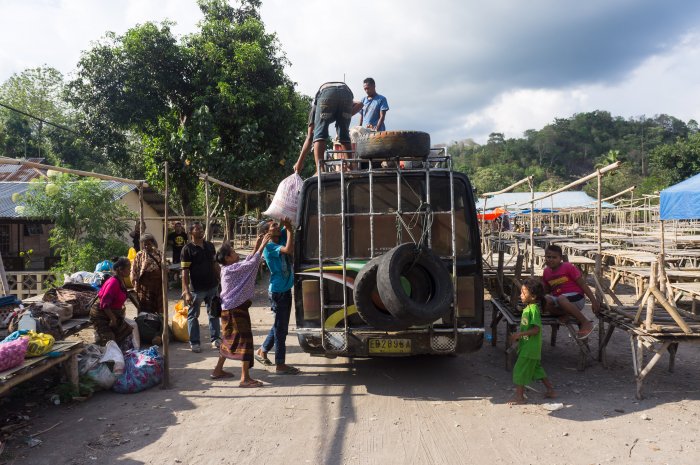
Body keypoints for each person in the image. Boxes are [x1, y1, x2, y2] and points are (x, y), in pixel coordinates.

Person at [211, 233, 272, 386]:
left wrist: (257, 245)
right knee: (245, 341)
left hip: (229, 309)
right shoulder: (232, 269)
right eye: (233, 252)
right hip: (235, 310)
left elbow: (247, 262)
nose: (235, 252)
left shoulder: (227, 268)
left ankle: (217, 370)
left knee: (227, 340)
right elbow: (250, 265)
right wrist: (262, 245)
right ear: (227, 258)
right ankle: (245, 378)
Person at [254, 218, 300, 375]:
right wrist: (289, 229)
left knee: (280, 326)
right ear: (268, 232)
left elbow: (288, 222)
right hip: (278, 292)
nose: (276, 225)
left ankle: (263, 350)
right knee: (281, 329)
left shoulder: (278, 235)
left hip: (284, 290)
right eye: (273, 225)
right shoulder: (270, 246)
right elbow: (288, 250)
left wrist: (286, 225)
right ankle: (280, 364)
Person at [508, 277, 556, 405]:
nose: (521, 295)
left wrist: (519, 334)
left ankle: (520, 397)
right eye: (521, 292)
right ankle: (551, 390)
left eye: (524, 293)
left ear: (533, 296)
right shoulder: (528, 308)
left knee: (519, 370)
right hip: (529, 347)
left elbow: (536, 330)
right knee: (536, 369)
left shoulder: (533, 310)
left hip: (530, 348)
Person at [293, 96, 363, 175]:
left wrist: (299, 162)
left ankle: (320, 170)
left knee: (319, 136)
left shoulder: (315, 110)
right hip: (344, 95)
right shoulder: (337, 103)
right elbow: (360, 104)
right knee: (343, 133)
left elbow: (309, 137)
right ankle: (351, 168)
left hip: (326, 98)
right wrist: (344, 118)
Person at [542, 245, 599, 339]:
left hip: (576, 299)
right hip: (560, 301)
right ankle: (565, 314)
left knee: (561, 298)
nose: (551, 259)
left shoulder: (568, 267)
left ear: (560, 258)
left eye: (554, 257)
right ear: (545, 257)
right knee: (544, 300)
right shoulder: (546, 272)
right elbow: (547, 290)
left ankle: (585, 322)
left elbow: (583, 284)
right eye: (548, 257)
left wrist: (593, 301)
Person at [181, 222, 221, 353]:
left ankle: (216, 339)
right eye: (197, 229)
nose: (201, 231)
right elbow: (185, 272)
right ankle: (195, 342)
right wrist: (186, 291)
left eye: (201, 228)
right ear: (191, 232)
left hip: (212, 286)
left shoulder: (209, 246)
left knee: (214, 312)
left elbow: (215, 265)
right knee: (193, 315)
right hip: (196, 289)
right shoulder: (187, 249)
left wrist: (221, 281)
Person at [89, 257, 133, 349]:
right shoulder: (113, 283)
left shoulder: (121, 280)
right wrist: (113, 319)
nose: (130, 270)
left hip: (112, 314)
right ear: (121, 270)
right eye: (128, 268)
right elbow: (104, 304)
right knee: (110, 342)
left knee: (126, 332)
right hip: (101, 314)